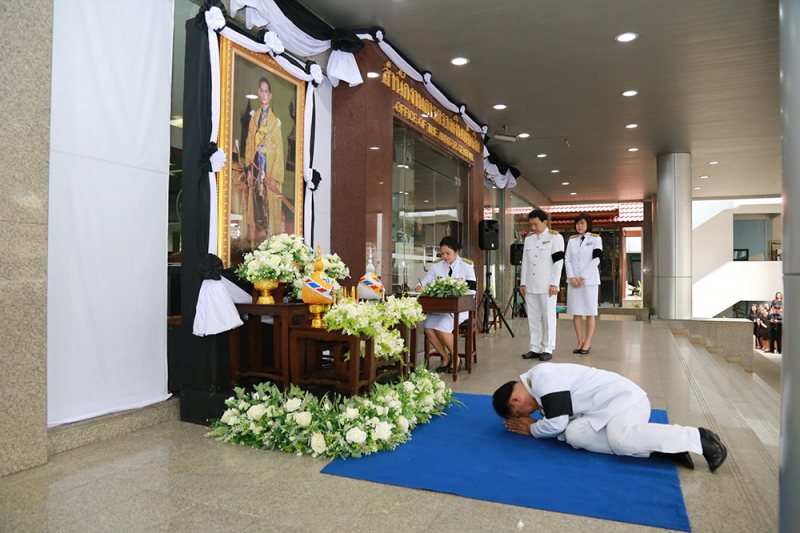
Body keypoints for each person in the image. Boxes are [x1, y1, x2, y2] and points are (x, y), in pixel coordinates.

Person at [492, 363, 728, 472]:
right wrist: (544, 426)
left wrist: (533, 429)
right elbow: (563, 426)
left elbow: (557, 422)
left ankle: (699, 437)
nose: (528, 415)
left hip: (625, 400)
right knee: (574, 435)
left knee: (621, 440)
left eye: (521, 413)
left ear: (515, 400)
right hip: (599, 413)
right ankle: (661, 448)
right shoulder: (537, 388)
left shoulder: (542, 376)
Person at [415, 236, 477, 373]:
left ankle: (457, 358)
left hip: (459, 309)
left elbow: (472, 291)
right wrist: (419, 287)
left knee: (442, 326)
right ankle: (445, 357)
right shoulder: (437, 266)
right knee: (428, 326)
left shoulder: (467, 266)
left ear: (456, 252)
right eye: (442, 254)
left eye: (447, 253)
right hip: (440, 308)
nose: (444, 256)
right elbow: (423, 282)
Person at [519, 209, 565, 362]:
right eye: (531, 224)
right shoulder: (529, 239)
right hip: (531, 285)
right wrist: (523, 283)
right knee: (533, 317)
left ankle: (547, 348)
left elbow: (558, 263)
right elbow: (525, 262)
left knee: (548, 317)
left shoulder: (555, 238)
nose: (533, 228)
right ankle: (535, 347)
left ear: (545, 222)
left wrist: (554, 283)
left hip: (547, 286)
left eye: (536, 224)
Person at [245, 76, 285, 242]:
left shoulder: (275, 123)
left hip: (269, 175)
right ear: (258, 92)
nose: (263, 93)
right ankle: (259, 243)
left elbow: (280, 154)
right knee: (257, 211)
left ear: (270, 95)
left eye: (266, 90)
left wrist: (275, 178)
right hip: (256, 171)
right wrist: (248, 170)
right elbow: (248, 144)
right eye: (261, 90)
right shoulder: (254, 119)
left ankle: (269, 245)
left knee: (268, 212)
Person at [564, 213, 603, 354]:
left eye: (582, 223)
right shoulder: (572, 240)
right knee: (576, 312)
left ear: (588, 224)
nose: (579, 226)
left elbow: (596, 259)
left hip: (589, 282)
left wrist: (583, 277)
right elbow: (567, 259)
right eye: (577, 223)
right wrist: (572, 277)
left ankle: (587, 342)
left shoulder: (596, 239)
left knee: (590, 312)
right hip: (574, 282)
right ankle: (579, 342)